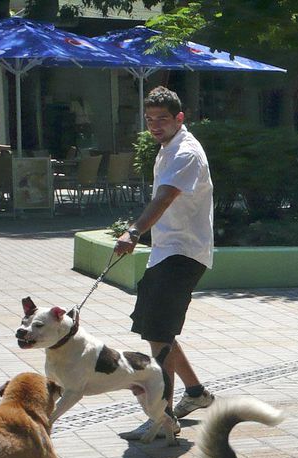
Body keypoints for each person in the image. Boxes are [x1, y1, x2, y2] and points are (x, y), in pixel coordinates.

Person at [112, 86, 216, 438]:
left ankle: (163, 415)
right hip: (168, 251)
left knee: (158, 332)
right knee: (161, 330)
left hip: (184, 253)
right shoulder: (167, 149)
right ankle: (197, 394)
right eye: (150, 120)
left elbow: (166, 198)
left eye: (162, 119)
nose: (155, 126)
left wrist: (134, 231)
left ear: (179, 118)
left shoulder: (186, 152)